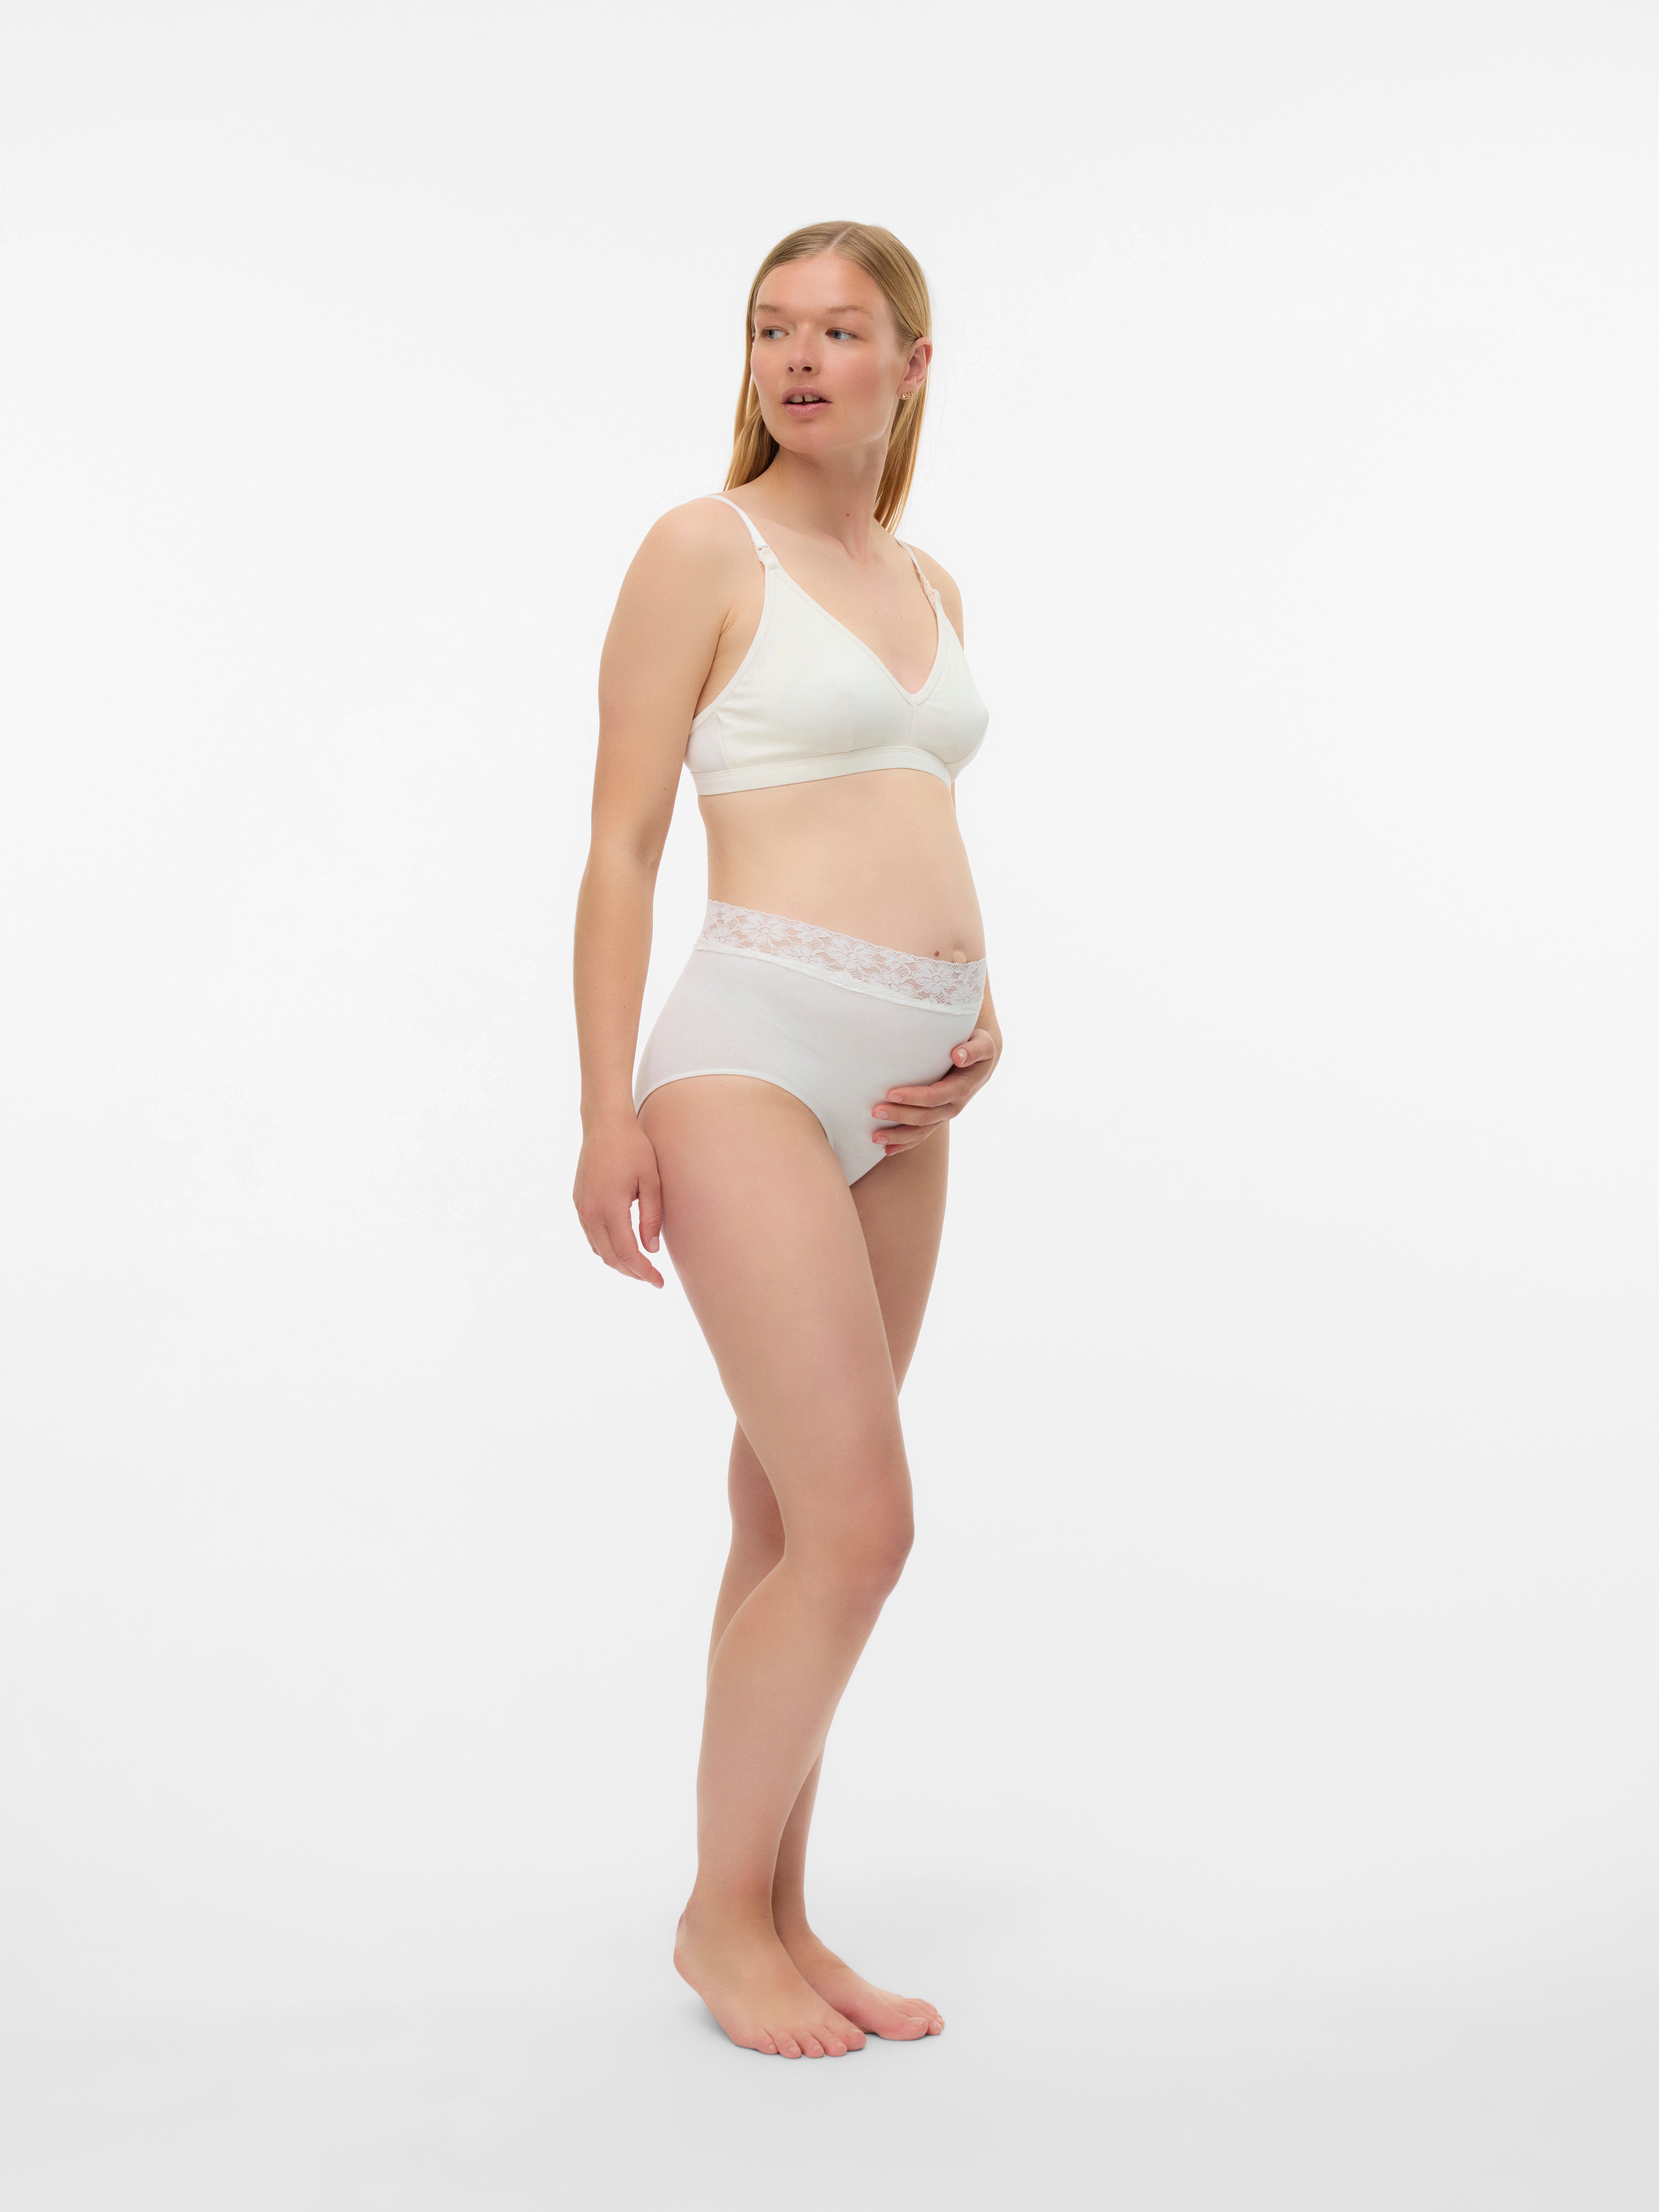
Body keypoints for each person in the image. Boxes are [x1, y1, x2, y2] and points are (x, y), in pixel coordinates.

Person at [572, 221, 1002, 2060]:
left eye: (838, 330)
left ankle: (778, 1914)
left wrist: (980, 1009)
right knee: (858, 1527)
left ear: (913, 363)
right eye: (772, 329)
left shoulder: (928, 579)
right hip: (750, 1056)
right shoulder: (704, 547)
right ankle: (711, 1915)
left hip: (910, 1097)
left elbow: (911, 809)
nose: (799, 358)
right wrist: (604, 1107)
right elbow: (621, 846)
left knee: (783, 1514)